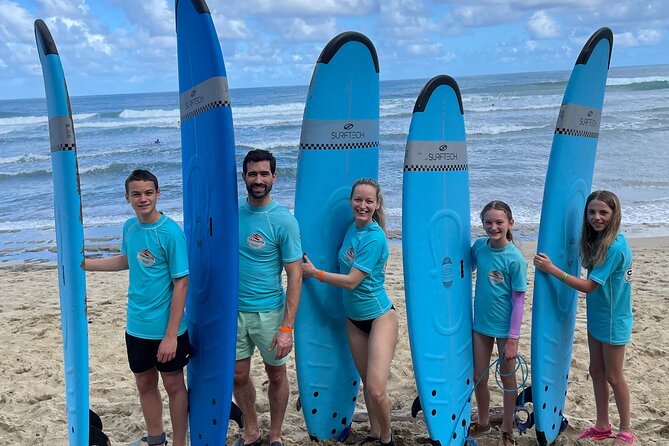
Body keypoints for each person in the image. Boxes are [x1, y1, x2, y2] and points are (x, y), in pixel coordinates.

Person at [85, 169, 189, 446]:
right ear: (127, 197)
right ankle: (156, 439)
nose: (143, 199)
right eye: (136, 194)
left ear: (157, 194)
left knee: (174, 386)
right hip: (136, 325)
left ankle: (180, 442)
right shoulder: (130, 227)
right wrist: (86, 265)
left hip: (167, 329)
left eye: (148, 193)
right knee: (144, 383)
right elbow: (126, 260)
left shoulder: (170, 233)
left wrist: (170, 336)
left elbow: (182, 284)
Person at [302, 178, 399, 446]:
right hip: (354, 318)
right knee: (367, 382)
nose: (363, 205)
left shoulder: (375, 238)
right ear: (351, 201)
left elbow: (352, 280)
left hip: (380, 317)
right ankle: (374, 433)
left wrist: (315, 274)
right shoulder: (351, 228)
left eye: (369, 201)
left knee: (377, 388)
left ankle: (387, 439)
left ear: (377, 204)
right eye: (358, 199)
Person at [534, 190, 635, 445]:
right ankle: (602, 425)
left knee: (614, 375)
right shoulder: (598, 240)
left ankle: (626, 430)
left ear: (614, 214)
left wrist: (551, 270)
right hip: (598, 316)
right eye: (592, 212)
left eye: (603, 212)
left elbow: (590, 286)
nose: (596, 217)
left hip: (614, 320)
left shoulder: (614, 247)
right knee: (595, 370)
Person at [234, 149, 303, 446]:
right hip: (234, 312)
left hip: (270, 313)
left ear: (274, 176)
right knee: (238, 376)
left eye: (264, 174)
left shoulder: (283, 220)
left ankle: (275, 435)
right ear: (244, 177)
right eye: (252, 174)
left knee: (276, 375)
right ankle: (251, 429)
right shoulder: (232, 212)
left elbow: (295, 275)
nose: (258, 179)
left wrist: (287, 327)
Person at [469, 201, 527, 446]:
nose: (493, 227)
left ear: (510, 223)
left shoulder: (514, 258)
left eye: (499, 222)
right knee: (479, 377)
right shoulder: (480, 247)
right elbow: (466, 268)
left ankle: (506, 429)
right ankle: (483, 422)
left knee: (508, 379)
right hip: (480, 325)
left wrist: (513, 339)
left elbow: (519, 300)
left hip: (505, 330)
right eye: (488, 222)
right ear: (482, 224)